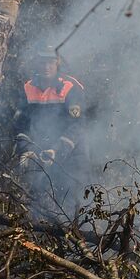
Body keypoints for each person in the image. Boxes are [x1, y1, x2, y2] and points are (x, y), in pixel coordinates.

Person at [13, 48, 87, 214]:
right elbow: (21, 125)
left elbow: (77, 125)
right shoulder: (28, 88)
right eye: (42, 62)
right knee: (39, 206)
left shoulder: (71, 87)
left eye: (50, 62)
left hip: (72, 155)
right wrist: (25, 150)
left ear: (57, 63)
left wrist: (57, 149)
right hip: (41, 155)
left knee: (72, 203)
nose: (46, 66)